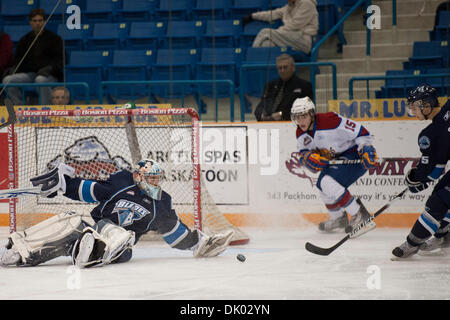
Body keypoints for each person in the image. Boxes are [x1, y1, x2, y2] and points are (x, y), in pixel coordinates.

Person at [1, 159, 234, 268]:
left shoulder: (162, 203)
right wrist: (63, 185)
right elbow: (88, 190)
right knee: (71, 220)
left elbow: (175, 233)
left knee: (122, 237)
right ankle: (20, 250)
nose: (155, 182)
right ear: (139, 177)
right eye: (150, 177)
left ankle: (91, 252)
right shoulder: (121, 183)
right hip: (95, 228)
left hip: (122, 246)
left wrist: (199, 243)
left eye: (156, 178)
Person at [290, 96, 379, 234]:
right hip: (335, 160)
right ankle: (339, 218)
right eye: (297, 117)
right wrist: (307, 159)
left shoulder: (330, 120)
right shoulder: (300, 132)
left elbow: (361, 132)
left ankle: (360, 215)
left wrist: (365, 148)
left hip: (353, 156)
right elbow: (303, 154)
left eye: (303, 116)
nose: (300, 121)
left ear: (311, 114)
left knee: (326, 182)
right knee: (321, 185)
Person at [392, 84, 450, 258]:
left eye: (414, 108)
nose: (413, 112)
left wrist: (415, 179)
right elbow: (436, 168)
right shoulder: (433, 131)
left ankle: (412, 244)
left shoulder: (430, 133)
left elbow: (431, 170)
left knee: (438, 202)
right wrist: (420, 178)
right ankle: (443, 236)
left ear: (426, 105)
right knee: (441, 191)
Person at [2, 8, 63, 105]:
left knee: (40, 80)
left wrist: (49, 69)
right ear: (30, 22)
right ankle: (19, 108)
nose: (38, 23)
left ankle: (45, 109)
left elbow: (60, 60)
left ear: (44, 21)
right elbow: (18, 60)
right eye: (35, 21)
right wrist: (16, 69)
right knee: (7, 80)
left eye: (40, 20)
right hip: (30, 74)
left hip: (49, 74)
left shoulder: (55, 39)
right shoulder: (25, 39)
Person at [242, 0, 318, 54]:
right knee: (267, 44)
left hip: (303, 40)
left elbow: (295, 24)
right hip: (290, 38)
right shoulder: (288, 7)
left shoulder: (307, 3)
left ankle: (251, 56)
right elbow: (271, 14)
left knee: (265, 32)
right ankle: (264, 72)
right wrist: (252, 16)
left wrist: (278, 31)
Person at [254, 53, 313, 121]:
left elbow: (306, 109)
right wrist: (261, 114)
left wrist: (281, 114)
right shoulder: (270, 85)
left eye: (285, 67)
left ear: (293, 68)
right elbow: (261, 105)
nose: (282, 70)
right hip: (269, 124)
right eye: (280, 68)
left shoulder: (304, 85)